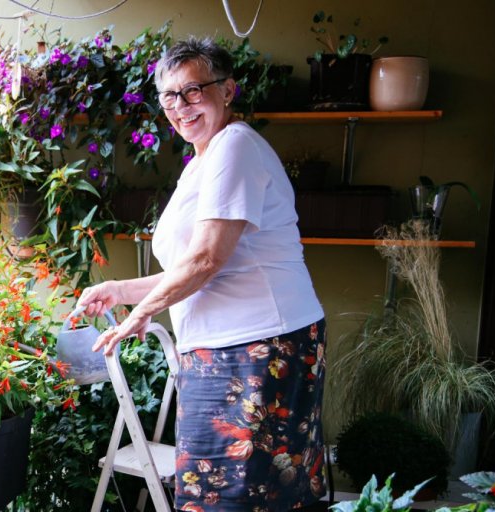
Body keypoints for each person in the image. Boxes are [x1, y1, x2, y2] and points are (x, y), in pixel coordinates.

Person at [77, 36, 327, 512]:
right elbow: (190, 268)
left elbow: (206, 260)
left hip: (260, 347)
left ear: (227, 90)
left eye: (194, 90)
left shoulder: (235, 147)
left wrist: (141, 315)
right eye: (170, 96)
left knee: (239, 496)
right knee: (222, 493)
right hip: (227, 348)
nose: (180, 106)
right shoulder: (203, 161)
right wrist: (120, 291)